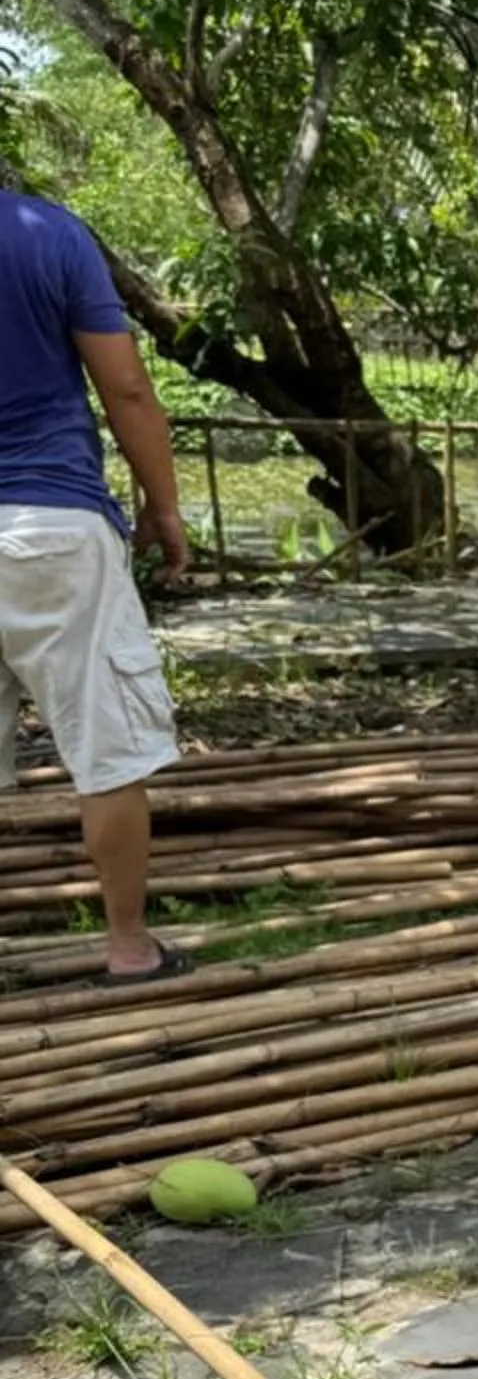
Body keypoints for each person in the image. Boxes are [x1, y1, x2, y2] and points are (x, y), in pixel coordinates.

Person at [0, 176, 192, 982]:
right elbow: (126, 387)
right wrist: (164, 507)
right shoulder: (48, 233)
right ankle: (127, 946)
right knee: (106, 751)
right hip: (52, 528)